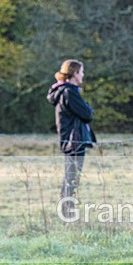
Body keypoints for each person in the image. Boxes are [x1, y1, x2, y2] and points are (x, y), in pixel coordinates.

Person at [47, 59, 96, 217]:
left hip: (70, 140)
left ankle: (67, 212)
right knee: (72, 179)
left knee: (71, 177)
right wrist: (88, 107)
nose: (83, 75)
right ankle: (67, 214)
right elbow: (87, 114)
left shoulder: (64, 90)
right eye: (81, 72)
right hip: (74, 140)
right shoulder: (70, 92)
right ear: (74, 73)